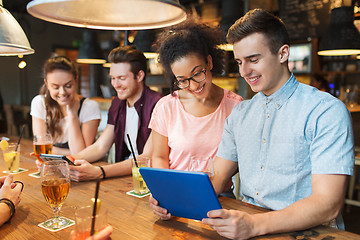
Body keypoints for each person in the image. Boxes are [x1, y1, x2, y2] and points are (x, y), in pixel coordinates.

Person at [151, 9, 354, 239]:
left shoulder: (325, 111)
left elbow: (328, 203)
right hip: (247, 228)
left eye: (253, 59)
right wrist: (170, 201)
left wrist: (255, 225)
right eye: (239, 61)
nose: (244, 71)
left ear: (283, 53)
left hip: (309, 233)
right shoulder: (240, 115)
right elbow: (216, 180)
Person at [149, 20, 242, 198]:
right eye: (182, 80)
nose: (193, 86)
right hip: (174, 192)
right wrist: (162, 193)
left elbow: (238, 161)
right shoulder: (166, 106)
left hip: (220, 196)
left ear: (209, 62)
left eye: (197, 73)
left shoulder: (235, 106)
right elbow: (159, 157)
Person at [69, 45, 162, 181]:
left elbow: (146, 158)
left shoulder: (158, 104)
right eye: (113, 78)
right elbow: (100, 146)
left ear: (140, 76)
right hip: (125, 176)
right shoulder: (118, 103)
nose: (115, 84)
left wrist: (100, 171)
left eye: (121, 78)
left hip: (150, 179)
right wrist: (67, 160)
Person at [31, 56, 101, 155]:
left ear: (76, 80)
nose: (62, 92)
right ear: (46, 84)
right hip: (51, 164)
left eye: (68, 86)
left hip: (82, 168)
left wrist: (72, 115)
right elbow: (41, 149)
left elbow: (81, 154)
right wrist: (69, 153)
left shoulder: (89, 107)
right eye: (55, 87)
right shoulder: (39, 103)